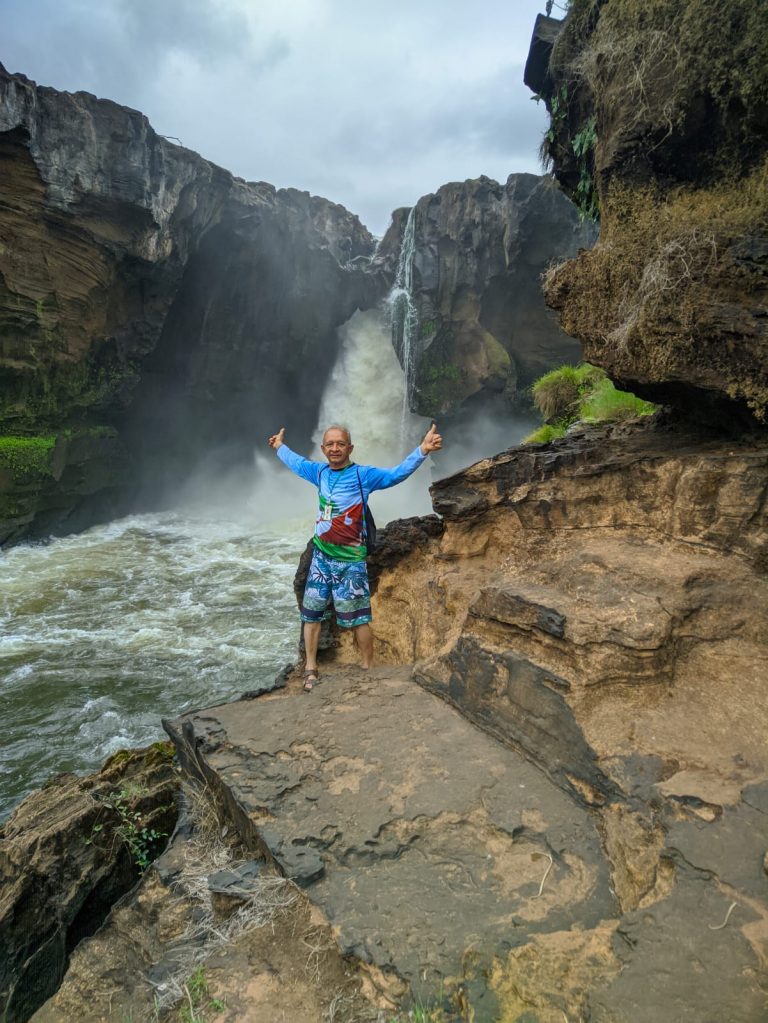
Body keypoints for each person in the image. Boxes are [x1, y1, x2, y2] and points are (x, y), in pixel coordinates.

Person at [267, 422, 443, 690]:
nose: (335, 448)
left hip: (351, 561)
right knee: (311, 614)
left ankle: (368, 667)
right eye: (330, 444)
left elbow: (395, 475)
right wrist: (279, 447)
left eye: (340, 444)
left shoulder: (363, 475)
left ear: (350, 448)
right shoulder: (320, 472)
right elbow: (297, 463)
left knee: (359, 617)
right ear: (323, 448)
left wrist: (422, 450)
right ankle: (311, 668)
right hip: (321, 558)